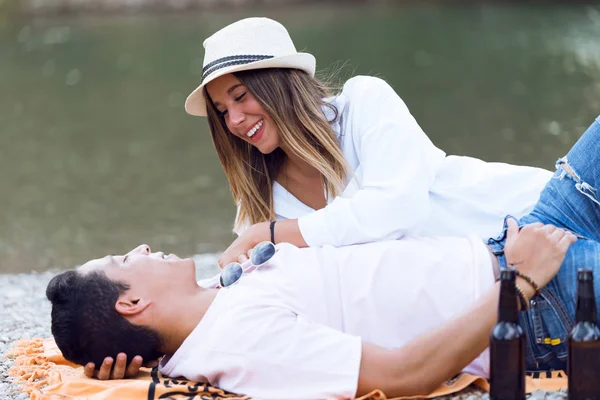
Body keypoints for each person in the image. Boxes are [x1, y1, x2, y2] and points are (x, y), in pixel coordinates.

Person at [48, 114, 600, 398]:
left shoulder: (218, 301)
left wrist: (128, 356)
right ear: (134, 301)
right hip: (538, 301)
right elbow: (406, 375)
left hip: (520, 237)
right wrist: (519, 281)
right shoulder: (241, 343)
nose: (140, 247)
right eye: (124, 259)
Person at [188, 16, 555, 267]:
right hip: (501, 280)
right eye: (221, 110)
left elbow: (396, 209)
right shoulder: (258, 196)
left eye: (241, 96)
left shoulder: (364, 102)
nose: (233, 120)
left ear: (278, 85)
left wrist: (272, 234)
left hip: (540, 212)